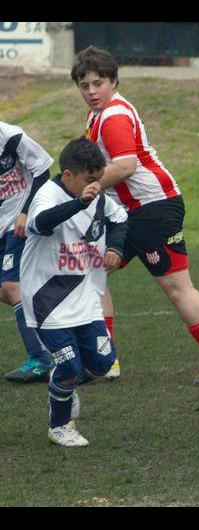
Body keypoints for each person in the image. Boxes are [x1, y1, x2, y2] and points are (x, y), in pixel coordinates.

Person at [71, 45, 199, 386]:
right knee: (92, 271)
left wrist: (81, 189)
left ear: (114, 82)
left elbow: (125, 165)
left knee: (177, 287)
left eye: (98, 83)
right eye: (84, 84)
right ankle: (104, 361)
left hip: (152, 209)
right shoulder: (97, 116)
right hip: (127, 212)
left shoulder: (114, 115)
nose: (91, 91)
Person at [20, 137, 128, 446]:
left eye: (99, 178)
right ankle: (59, 426)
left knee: (103, 364)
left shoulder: (99, 198)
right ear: (68, 176)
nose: (96, 186)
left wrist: (116, 249)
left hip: (86, 297)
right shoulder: (49, 195)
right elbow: (40, 223)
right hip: (47, 300)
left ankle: (63, 389)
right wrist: (79, 203)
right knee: (68, 365)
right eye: (89, 179)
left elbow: (120, 220)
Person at [1, 121, 54, 382]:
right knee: (9, 290)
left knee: (12, 285)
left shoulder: (10, 136)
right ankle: (59, 325)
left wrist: (25, 212)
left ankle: (41, 358)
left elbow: (43, 170)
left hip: (19, 221)